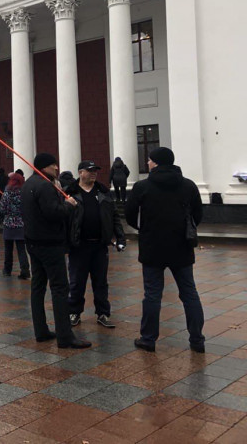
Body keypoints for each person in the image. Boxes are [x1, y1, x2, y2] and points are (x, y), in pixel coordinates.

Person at [125, 147, 205, 353]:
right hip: (182, 247)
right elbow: (198, 214)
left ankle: (148, 339)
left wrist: (144, 229)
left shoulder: (142, 186)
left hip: (152, 247)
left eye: (150, 160)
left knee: (152, 295)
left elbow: (130, 214)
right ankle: (197, 340)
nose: (148, 164)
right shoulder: (188, 185)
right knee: (189, 293)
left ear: (157, 163)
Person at [21, 153, 90, 349]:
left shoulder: (28, 184)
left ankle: (41, 331)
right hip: (50, 244)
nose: (56, 169)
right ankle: (65, 336)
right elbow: (54, 214)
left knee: (38, 287)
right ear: (44, 167)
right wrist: (68, 205)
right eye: (53, 166)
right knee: (60, 289)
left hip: (33, 243)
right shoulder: (45, 186)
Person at [67, 161, 126, 329]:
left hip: (100, 246)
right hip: (79, 246)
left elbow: (114, 216)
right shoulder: (70, 193)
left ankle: (103, 313)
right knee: (77, 281)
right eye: (90, 170)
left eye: (95, 171)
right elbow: (64, 220)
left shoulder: (103, 192)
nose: (94, 173)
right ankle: (74, 312)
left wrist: (120, 237)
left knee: (100, 282)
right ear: (80, 173)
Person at [0, 173, 30, 279]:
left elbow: (2, 209)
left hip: (8, 223)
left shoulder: (6, 193)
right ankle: (25, 270)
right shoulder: (24, 193)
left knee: (8, 249)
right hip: (21, 224)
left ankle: (7, 270)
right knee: (21, 249)